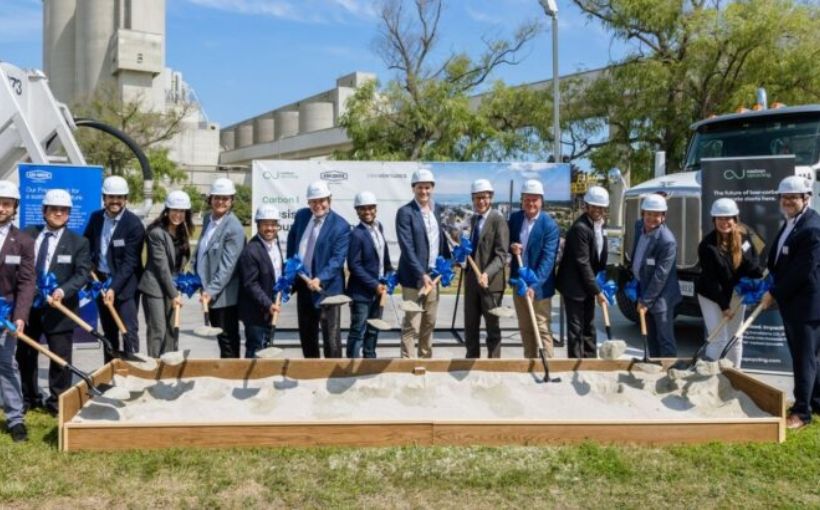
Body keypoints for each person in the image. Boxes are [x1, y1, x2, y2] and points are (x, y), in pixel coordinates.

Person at [17, 189, 91, 416]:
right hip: (29, 307)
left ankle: (57, 401)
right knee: (26, 355)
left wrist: (62, 290)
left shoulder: (79, 242)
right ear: (44, 211)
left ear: (69, 214)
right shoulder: (28, 234)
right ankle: (29, 397)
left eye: (63, 210)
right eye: (54, 209)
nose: (58, 213)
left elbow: (82, 274)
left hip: (59, 309)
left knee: (60, 357)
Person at [761, 176, 820, 430]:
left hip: (807, 305)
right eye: (784, 198)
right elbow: (781, 261)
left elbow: (802, 271)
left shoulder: (812, 228)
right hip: (794, 302)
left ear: (806, 198)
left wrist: (774, 293)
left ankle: (801, 412)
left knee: (803, 358)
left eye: (793, 198)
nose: (787, 202)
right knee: (809, 357)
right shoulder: (791, 223)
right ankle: (815, 402)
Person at [695, 198, 764, 367]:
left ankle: (735, 376)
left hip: (736, 292)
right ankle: (710, 375)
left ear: (735, 219)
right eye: (720, 218)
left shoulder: (746, 237)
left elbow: (753, 264)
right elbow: (712, 281)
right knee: (718, 339)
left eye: (728, 218)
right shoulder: (707, 246)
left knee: (735, 338)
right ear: (714, 220)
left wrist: (758, 279)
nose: (724, 222)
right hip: (711, 295)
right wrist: (724, 306)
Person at [83, 175, 145, 360]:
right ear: (104, 198)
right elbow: (86, 244)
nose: (115, 201)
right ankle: (110, 372)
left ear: (125, 199)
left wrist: (113, 288)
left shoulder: (134, 224)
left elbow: (130, 262)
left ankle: (132, 371)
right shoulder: (96, 218)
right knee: (109, 333)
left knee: (128, 330)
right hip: (100, 281)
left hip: (125, 286)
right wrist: (89, 268)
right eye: (111, 197)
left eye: (119, 197)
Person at [286, 181, 350, 358]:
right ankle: (311, 371)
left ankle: (333, 375)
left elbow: (337, 260)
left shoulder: (341, 226)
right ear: (308, 202)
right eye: (313, 201)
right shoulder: (301, 216)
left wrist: (319, 279)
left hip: (327, 291)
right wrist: (292, 266)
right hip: (304, 286)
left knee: (331, 338)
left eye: (322, 200)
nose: (318, 205)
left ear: (329, 200)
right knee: (307, 335)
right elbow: (292, 242)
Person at [396, 168, 451, 358]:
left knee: (430, 321)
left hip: (433, 277)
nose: (424, 192)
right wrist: (422, 274)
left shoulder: (436, 210)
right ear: (413, 188)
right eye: (420, 187)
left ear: (432, 188)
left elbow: (439, 240)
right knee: (412, 323)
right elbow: (407, 248)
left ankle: (425, 360)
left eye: (427, 188)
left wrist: (448, 263)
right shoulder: (405, 212)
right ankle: (408, 362)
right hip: (414, 278)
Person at [194, 177, 246, 358]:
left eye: (225, 199)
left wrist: (211, 291)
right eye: (217, 198)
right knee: (220, 339)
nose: (221, 202)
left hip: (224, 296)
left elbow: (228, 267)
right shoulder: (209, 219)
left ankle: (231, 376)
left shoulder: (234, 228)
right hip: (209, 291)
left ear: (232, 201)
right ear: (211, 199)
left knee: (227, 339)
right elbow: (202, 250)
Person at [138, 190, 194, 357]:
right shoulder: (156, 233)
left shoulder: (182, 232)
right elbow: (161, 268)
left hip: (172, 286)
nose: (178, 214)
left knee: (170, 330)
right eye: (174, 210)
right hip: (155, 287)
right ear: (167, 210)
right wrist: (174, 294)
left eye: (182, 211)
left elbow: (180, 263)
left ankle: (168, 367)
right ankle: (154, 366)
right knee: (158, 329)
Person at [508, 179, 560, 359]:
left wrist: (534, 286)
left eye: (535, 199)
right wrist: (512, 246)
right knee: (525, 328)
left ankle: (548, 363)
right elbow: (508, 242)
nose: (530, 203)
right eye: (527, 199)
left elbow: (548, 260)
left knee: (542, 327)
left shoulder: (549, 225)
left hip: (540, 287)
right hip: (519, 283)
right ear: (522, 200)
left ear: (541, 201)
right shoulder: (515, 219)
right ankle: (529, 362)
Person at [556, 185, 610, 359]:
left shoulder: (600, 226)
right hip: (574, 286)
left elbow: (599, 258)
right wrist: (597, 291)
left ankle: (589, 361)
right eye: (593, 206)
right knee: (576, 329)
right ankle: (575, 363)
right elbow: (583, 262)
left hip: (588, 284)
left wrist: (601, 282)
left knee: (589, 326)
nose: (597, 210)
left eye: (600, 207)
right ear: (586, 206)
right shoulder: (580, 228)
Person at [0, 181, 35, 441]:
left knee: (7, 365)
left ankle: (15, 419)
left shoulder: (23, 241)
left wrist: (20, 316)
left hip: (6, 314)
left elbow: (26, 282)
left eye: (7, 204)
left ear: (14, 208)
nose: (1, 208)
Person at [630, 193, 681, 357]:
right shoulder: (639, 226)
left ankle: (669, 373)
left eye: (657, 215)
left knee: (665, 339)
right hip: (643, 288)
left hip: (661, 297)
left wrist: (646, 301)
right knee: (651, 337)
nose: (652, 218)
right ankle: (653, 368)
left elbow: (661, 276)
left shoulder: (667, 241)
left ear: (663, 217)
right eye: (649, 213)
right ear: (643, 213)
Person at [463, 179, 509, 358]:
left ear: (491, 197)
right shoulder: (473, 220)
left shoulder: (498, 220)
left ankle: (493, 367)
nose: (480, 201)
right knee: (470, 327)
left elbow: (501, 255)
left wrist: (486, 274)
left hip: (491, 286)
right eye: (476, 198)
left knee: (492, 329)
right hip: (472, 283)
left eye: (484, 197)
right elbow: (472, 252)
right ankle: (472, 362)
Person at [346, 191, 393, 359]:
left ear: (376, 209)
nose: (367, 212)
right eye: (362, 209)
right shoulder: (356, 234)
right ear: (357, 211)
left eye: (370, 208)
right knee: (358, 330)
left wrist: (389, 273)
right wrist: (374, 285)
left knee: (373, 329)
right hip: (361, 293)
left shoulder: (378, 227)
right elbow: (354, 265)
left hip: (379, 290)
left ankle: (370, 359)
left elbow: (383, 256)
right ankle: (350, 365)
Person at [238, 205, 284, 358]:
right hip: (255, 312)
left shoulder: (275, 244)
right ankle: (251, 381)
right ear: (258, 225)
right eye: (265, 224)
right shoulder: (251, 251)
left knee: (266, 348)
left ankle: (262, 379)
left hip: (270, 309)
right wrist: (268, 304)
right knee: (255, 349)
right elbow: (250, 284)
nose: (270, 228)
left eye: (273, 224)